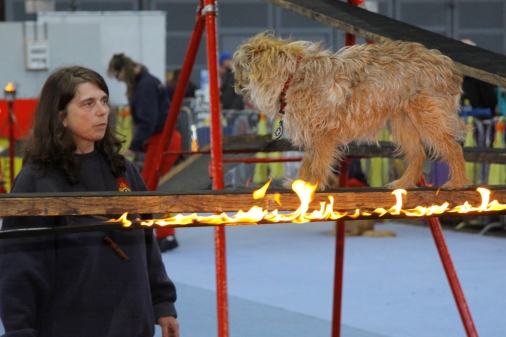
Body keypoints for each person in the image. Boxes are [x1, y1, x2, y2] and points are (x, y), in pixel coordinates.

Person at [0, 66, 179, 337]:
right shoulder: (37, 179)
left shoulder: (124, 170)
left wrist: (162, 303)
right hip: (69, 326)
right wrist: (19, 329)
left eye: (104, 101)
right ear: (61, 116)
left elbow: (147, 242)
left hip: (132, 324)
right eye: (88, 103)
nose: (102, 110)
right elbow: (19, 264)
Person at [108, 53, 179, 252]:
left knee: (154, 188)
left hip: (163, 140)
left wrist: (132, 148)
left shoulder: (144, 87)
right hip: (162, 139)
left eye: (117, 75)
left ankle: (165, 235)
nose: (118, 80)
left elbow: (147, 121)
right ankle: (158, 231)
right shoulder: (145, 83)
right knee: (151, 186)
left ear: (123, 70)